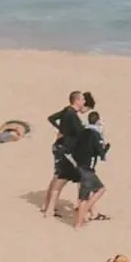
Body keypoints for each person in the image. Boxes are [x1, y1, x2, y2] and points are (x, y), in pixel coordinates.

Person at [42, 89, 88, 220]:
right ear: (77, 100)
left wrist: (61, 130)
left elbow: (51, 118)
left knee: (60, 177)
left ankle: (48, 207)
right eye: (83, 99)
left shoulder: (67, 110)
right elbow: (80, 133)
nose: (84, 102)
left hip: (61, 147)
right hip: (67, 150)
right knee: (64, 178)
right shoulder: (71, 114)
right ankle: (50, 209)